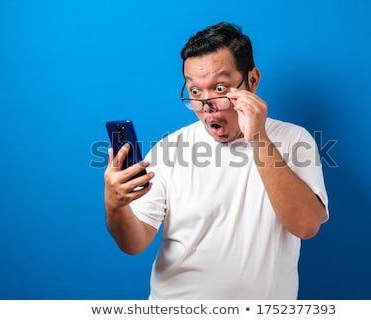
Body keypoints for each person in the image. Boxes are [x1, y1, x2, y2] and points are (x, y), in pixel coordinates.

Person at [104, 22, 329, 299]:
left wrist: (258, 137)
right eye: (195, 92)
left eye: (220, 88)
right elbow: (133, 243)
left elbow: (306, 226)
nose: (206, 105)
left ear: (253, 81)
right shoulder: (168, 150)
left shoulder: (294, 140)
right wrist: (115, 206)